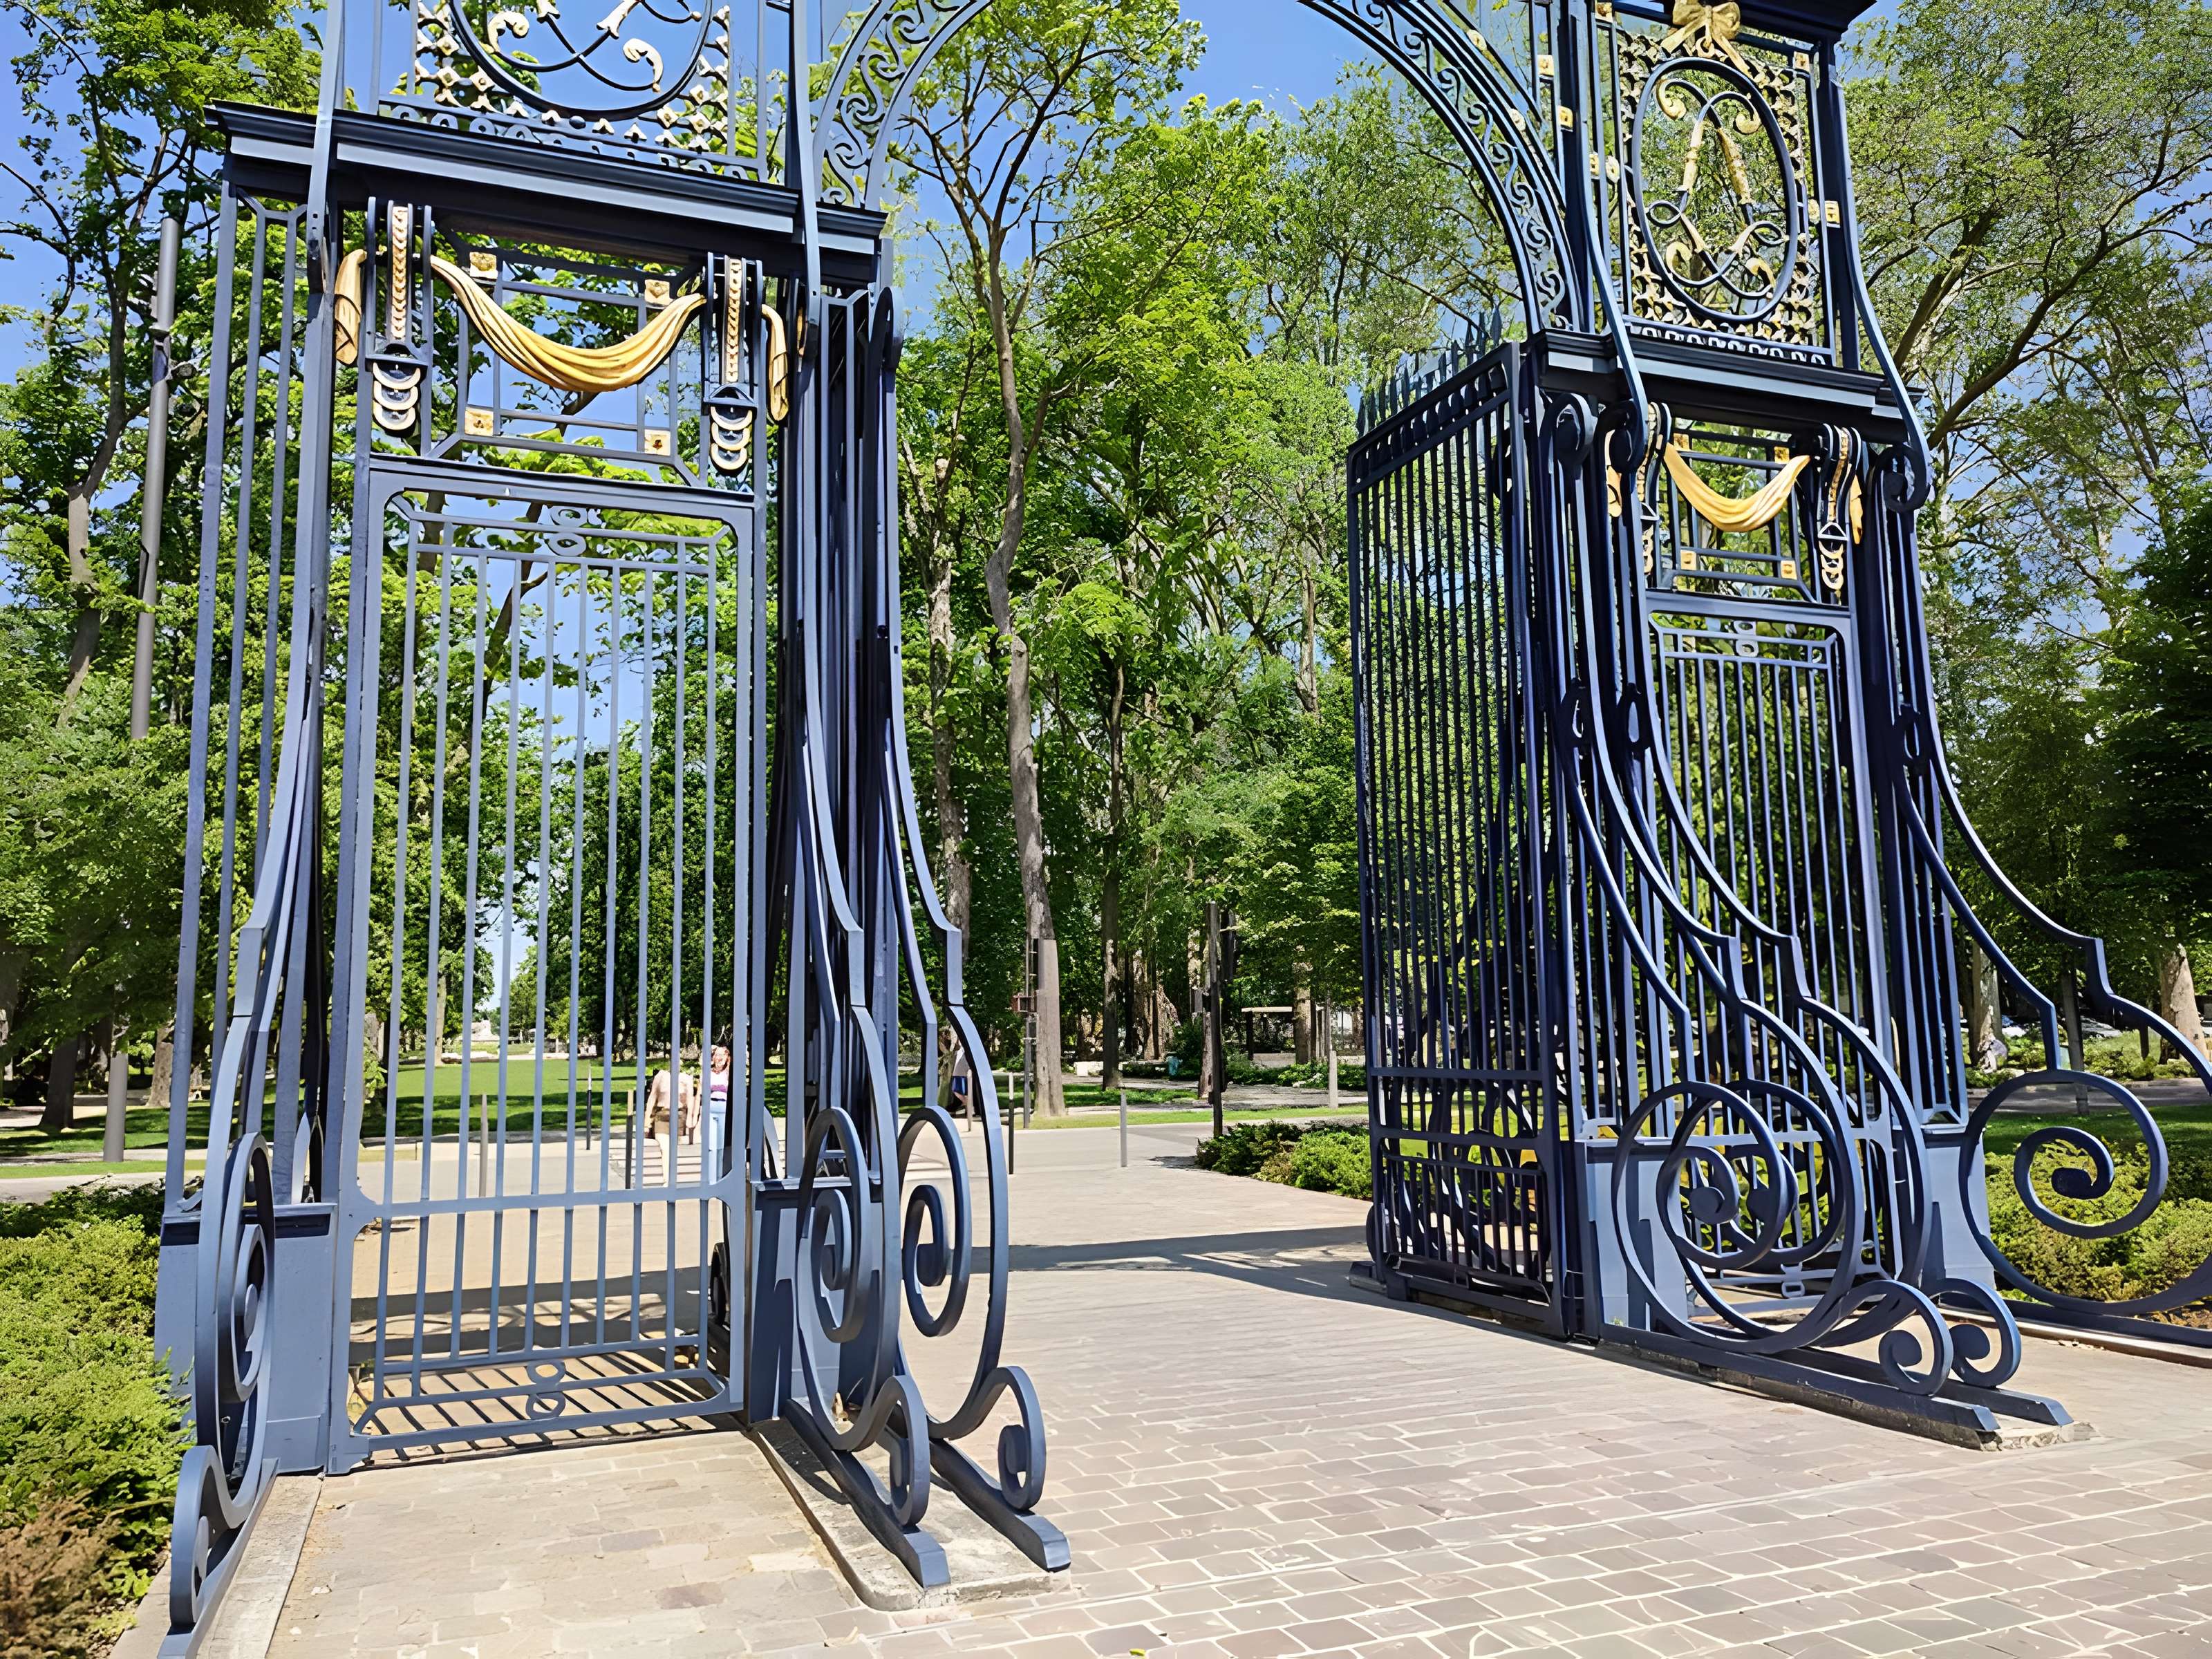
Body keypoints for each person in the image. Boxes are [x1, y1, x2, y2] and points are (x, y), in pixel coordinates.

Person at [704, 1044, 733, 1174]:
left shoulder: (729, 1073)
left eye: (723, 1054)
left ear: (728, 1058)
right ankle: (710, 1178)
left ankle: (721, 1175)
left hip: (724, 1108)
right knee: (711, 1146)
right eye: (717, 1054)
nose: (720, 1057)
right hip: (710, 1108)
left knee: (721, 1145)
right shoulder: (708, 1073)